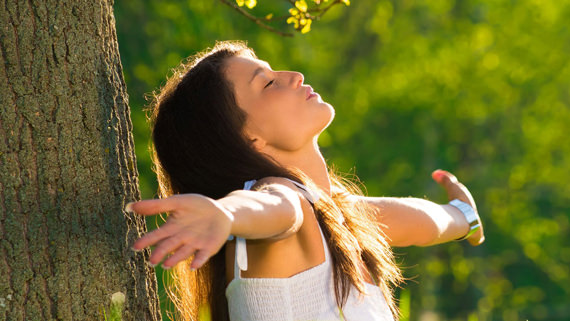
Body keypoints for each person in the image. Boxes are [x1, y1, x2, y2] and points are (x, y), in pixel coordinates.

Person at [127, 40, 484, 321]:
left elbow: (426, 222)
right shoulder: (283, 200)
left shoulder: (336, 214)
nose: (293, 75)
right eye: (267, 83)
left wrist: (463, 215)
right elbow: (271, 207)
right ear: (247, 137)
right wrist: (226, 214)